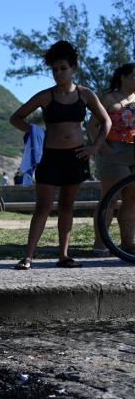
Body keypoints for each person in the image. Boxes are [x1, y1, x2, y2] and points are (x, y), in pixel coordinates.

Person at [9, 41, 110, 270]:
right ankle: (28, 257)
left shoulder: (86, 94)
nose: (58, 73)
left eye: (63, 68)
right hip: (49, 157)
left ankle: (64, 256)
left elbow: (106, 121)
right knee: (43, 206)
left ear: (73, 69)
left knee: (66, 206)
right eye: (54, 69)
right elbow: (16, 118)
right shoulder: (45, 96)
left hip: (76, 156)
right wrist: (36, 131)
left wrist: (95, 147)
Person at [86, 63, 135, 256]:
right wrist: (104, 147)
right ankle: (100, 244)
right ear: (123, 77)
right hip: (113, 152)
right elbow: (92, 125)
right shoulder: (108, 99)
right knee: (111, 198)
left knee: (132, 198)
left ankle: (128, 245)